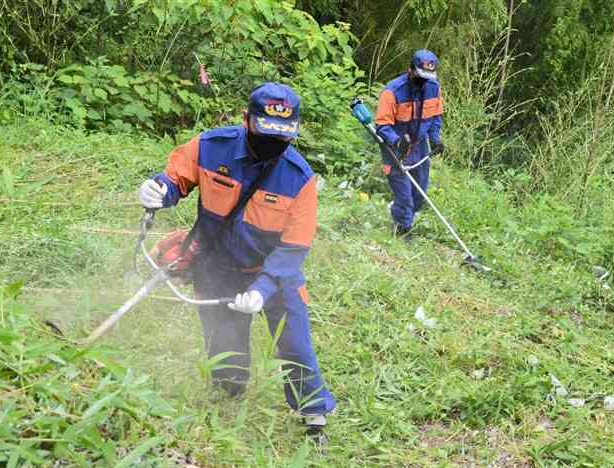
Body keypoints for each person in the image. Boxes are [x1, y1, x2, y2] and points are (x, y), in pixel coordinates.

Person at [138, 82, 336, 438]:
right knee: (222, 337)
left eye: (282, 138)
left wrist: (262, 289)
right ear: (246, 120)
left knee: (294, 342)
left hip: (273, 274)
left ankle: (313, 416)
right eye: (265, 135)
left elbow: (293, 248)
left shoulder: (299, 178)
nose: (272, 147)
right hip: (217, 266)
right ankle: (229, 393)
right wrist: (159, 189)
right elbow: (176, 178)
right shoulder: (211, 148)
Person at [375, 49, 444, 239]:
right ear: (411, 70)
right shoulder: (392, 91)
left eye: (428, 76)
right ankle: (402, 228)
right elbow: (381, 125)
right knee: (404, 193)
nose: (424, 80)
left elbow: (435, 116)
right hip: (394, 147)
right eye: (421, 75)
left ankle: (405, 217)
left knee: (419, 190)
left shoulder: (434, 87)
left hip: (420, 144)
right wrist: (396, 142)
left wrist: (435, 138)